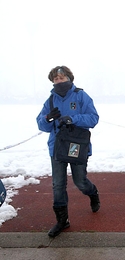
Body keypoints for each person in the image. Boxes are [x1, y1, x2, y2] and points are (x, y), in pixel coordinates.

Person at [36, 66, 100, 238]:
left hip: (76, 145)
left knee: (80, 182)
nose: (59, 81)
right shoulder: (50, 100)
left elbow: (93, 118)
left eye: (62, 78)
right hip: (56, 147)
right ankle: (62, 221)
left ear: (69, 78)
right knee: (58, 184)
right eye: (56, 79)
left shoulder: (81, 96)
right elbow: (41, 124)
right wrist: (47, 118)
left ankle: (92, 193)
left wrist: (73, 118)